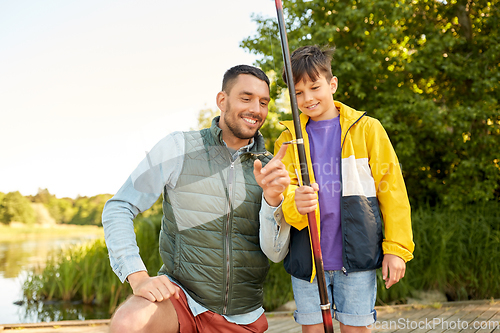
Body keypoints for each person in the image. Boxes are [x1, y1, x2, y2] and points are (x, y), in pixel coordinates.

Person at [102, 64, 291, 333]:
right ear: (222, 101)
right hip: (182, 303)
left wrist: (273, 200)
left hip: (243, 317)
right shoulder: (178, 147)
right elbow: (119, 207)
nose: (256, 110)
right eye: (246, 98)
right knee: (129, 322)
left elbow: (275, 254)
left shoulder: (271, 168)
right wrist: (138, 277)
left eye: (263, 102)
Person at [273, 45, 415, 333]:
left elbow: (393, 191)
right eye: (297, 93)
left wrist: (396, 249)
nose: (308, 98)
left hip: (358, 258)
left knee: (355, 329)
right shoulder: (287, 140)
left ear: (332, 83)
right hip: (308, 259)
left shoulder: (368, 129)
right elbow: (283, 198)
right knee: (312, 329)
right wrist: (294, 204)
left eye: (314, 87)